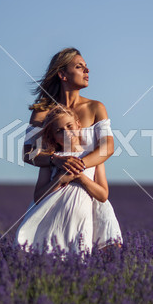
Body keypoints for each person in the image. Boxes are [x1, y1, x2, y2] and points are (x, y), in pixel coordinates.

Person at [22, 47, 122, 252]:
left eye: (86, 67)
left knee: (104, 261)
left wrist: (78, 167)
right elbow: (28, 153)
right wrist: (55, 160)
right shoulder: (41, 113)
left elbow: (108, 147)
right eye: (79, 66)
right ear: (62, 74)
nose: (87, 71)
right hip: (55, 195)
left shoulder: (96, 108)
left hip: (91, 195)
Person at [14, 105, 123, 257]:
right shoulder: (51, 160)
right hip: (52, 220)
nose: (66, 132)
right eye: (59, 130)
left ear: (78, 125)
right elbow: (38, 196)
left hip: (80, 221)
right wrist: (59, 179)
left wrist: (80, 177)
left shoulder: (93, 158)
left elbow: (103, 195)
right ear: (53, 136)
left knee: (79, 260)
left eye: (70, 126)